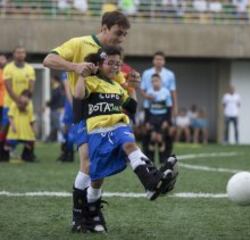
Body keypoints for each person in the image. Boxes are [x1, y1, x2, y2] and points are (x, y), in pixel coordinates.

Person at [43, 10, 136, 232]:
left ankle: (92, 213)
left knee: (99, 170)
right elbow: (48, 60)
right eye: (118, 33)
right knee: (88, 163)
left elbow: (118, 84)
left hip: (107, 112)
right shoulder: (79, 43)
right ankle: (78, 217)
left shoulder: (112, 54)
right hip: (84, 109)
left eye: (124, 35)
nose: (121, 38)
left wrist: (130, 83)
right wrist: (75, 67)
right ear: (104, 28)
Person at [74, 47, 178, 232]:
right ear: (99, 64)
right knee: (97, 178)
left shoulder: (116, 86)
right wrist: (82, 75)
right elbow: (79, 95)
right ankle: (91, 212)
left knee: (130, 144)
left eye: (118, 64)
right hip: (98, 131)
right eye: (110, 63)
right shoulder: (91, 81)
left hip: (119, 125)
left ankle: (151, 183)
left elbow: (130, 107)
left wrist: (132, 88)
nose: (115, 67)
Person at [141, 51, 178, 163]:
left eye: (161, 59)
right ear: (153, 60)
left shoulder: (170, 74)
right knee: (148, 133)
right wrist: (147, 96)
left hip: (165, 108)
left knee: (166, 133)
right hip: (150, 108)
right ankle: (148, 158)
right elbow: (142, 89)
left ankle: (165, 158)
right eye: (156, 59)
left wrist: (175, 107)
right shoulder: (147, 73)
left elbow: (173, 91)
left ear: (164, 61)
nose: (158, 61)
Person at [0, 47, 35, 162]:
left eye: (22, 52)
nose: (20, 54)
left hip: (26, 104)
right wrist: (18, 102)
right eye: (18, 52)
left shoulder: (30, 69)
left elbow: (31, 87)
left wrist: (25, 102)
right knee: (6, 127)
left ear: (25, 55)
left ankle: (28, 154)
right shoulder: (8, 68)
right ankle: (3, 154)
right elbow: (8, 88)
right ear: (14, 54)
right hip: (10, 104)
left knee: (29, 127)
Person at [144, 73, 172, 163]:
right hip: (152, 117)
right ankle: (151, 159)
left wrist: (167, 121)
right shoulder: (149, 92)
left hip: (162, 118)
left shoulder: (166, 92)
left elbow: (169, 108)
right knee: (152, 138)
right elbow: (146, 108)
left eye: (156, 81)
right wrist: (146, 121)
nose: (154, 83)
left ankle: (162, 159)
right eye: (152, 81)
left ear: (160, 81)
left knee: (159, 138)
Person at [5, 89, 36, 162]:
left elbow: (31, 118)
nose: (26, 98)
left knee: (30, 142)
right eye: (24, 96)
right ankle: (6, 156)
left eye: (28, 97)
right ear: (21, 96)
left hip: (26, 129)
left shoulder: (30, 105)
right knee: (9, 144)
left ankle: (26, 156)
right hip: (16, 128)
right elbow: (10, 116)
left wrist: (33, 128)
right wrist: (12, 126)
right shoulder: (14, 103)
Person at [46, 75, 65, 142]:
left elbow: (55, 99)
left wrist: (47, 104)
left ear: (55, 80)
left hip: (56, 109)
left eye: (52, 79)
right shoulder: (58, 88)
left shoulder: (58, 89)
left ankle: (66, 137)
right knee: (54, 125)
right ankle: (51, 139)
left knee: (57, 125)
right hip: (55, 109)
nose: (51, 81)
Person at [0, 54, 8, 128]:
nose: (1, 61)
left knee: (5, 124)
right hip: (1, 102)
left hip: (8, 102)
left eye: (3, 59)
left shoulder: (9, 71)